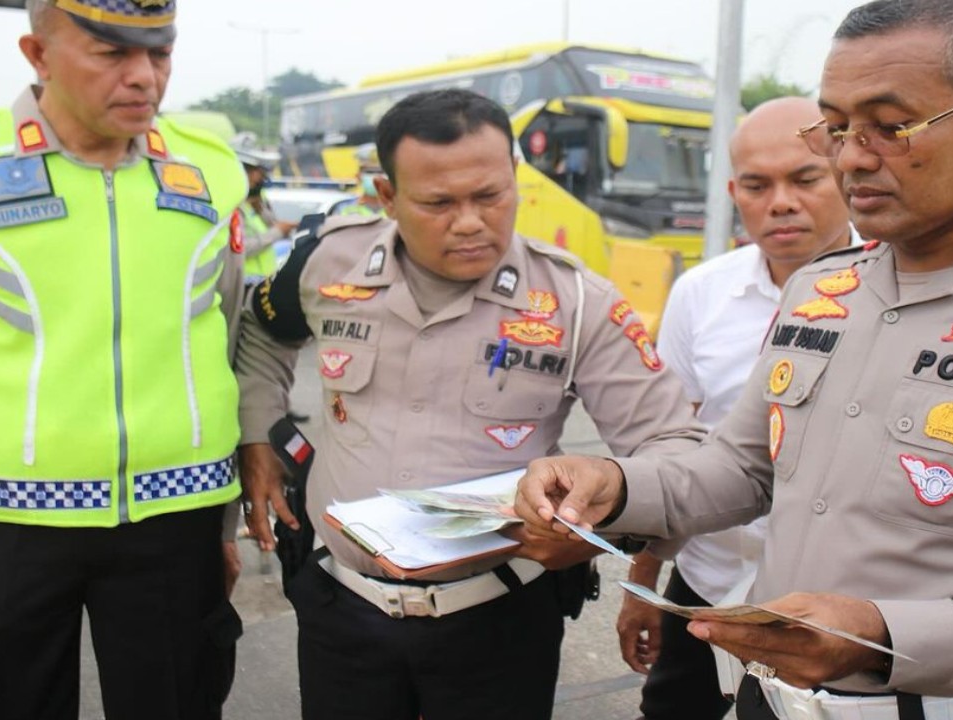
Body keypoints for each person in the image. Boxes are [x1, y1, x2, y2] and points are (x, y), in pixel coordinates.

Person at [515, 2, 953, 719]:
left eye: (891, 126)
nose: (850, 156)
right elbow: (742, 469)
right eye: (838, 126)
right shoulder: (822, 288)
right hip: (770, 701)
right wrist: (613, 483)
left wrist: (887, 639)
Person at [235, 88, 705, 720]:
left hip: (499, 621)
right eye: (438, 202)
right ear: (387, 198)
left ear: (515, 178)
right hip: (340, 611)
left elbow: (674, 452)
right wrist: (257, 439)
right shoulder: (328, 262)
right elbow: (263, 333)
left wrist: (600, 531)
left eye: (490, 195)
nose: (469, 221)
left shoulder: (575, 300)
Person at [0, 1, 249, 719]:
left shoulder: (213, 168)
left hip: (178, 514)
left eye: (160, 54)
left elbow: (226, 339)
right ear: (37, 55)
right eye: (112, 54)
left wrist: (221, 525)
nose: (145, 78)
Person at [618, 96, 855, 720]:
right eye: (757, 185)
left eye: (805, 179)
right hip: (709, 580)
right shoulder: (701, 293)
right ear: (733, 191)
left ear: (846, 171)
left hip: (831, 602)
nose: (780, 202)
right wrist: (643, 584)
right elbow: (674, 446)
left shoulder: (897, 292)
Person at [233, 132, 296, 279]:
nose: (259, 178)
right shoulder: (230, 208)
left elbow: (271, 226)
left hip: (262, 283)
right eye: (254, 171)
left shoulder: (255, 202)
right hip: (244, 284)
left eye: (260, 172)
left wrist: (262, 212)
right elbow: (241, 249)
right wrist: (278, 232)